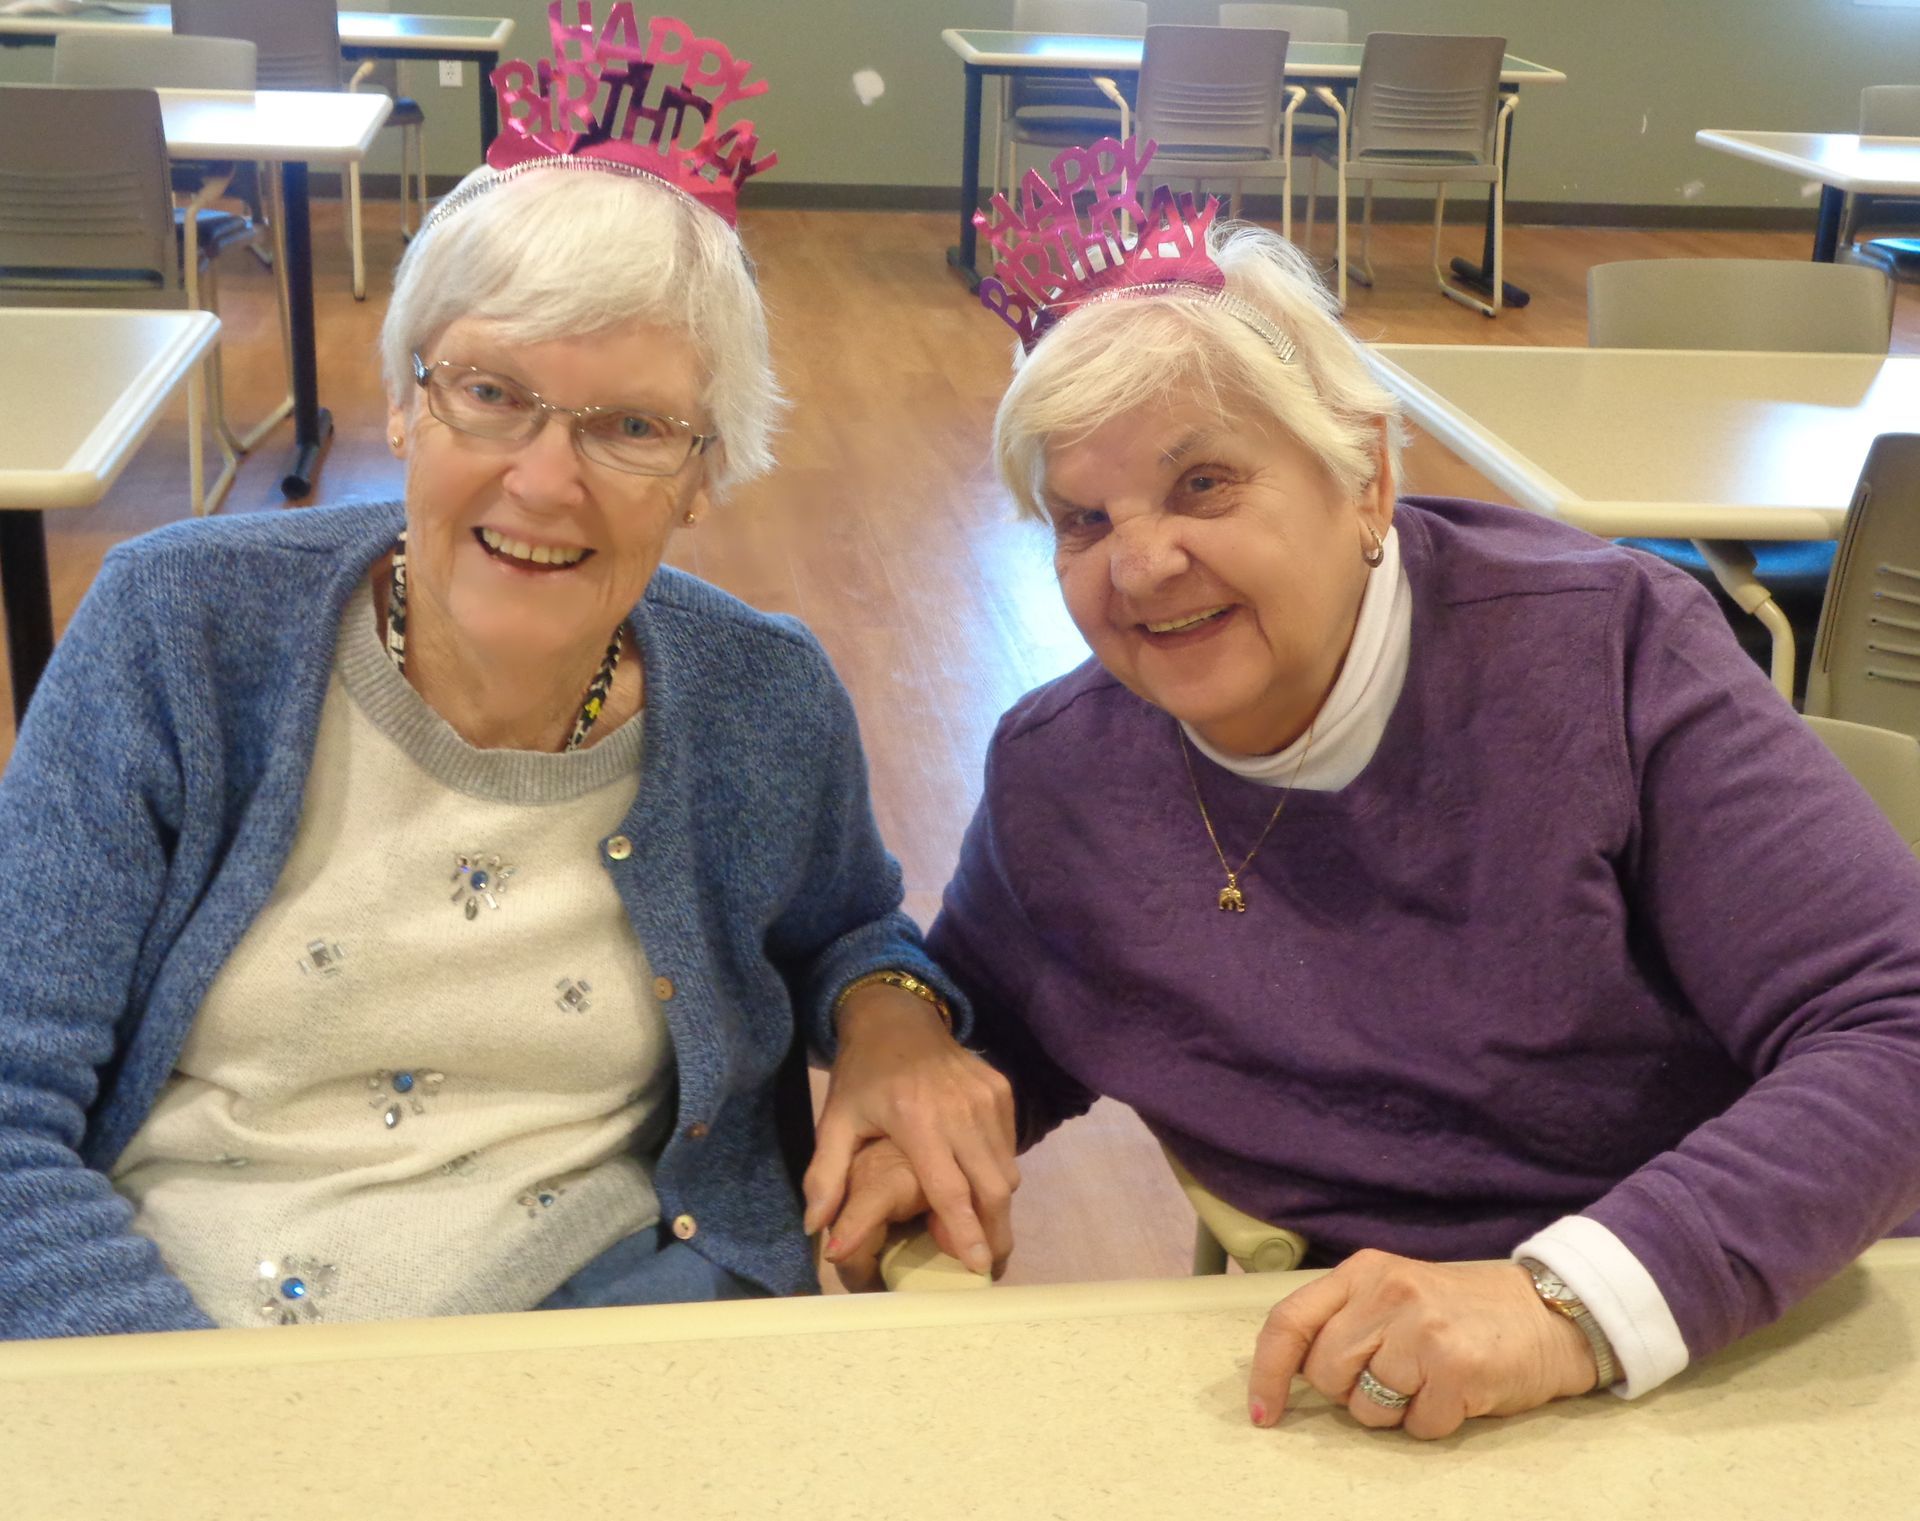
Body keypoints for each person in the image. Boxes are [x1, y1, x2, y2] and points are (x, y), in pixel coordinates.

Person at [820, 156, 1920, 1439]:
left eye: (1204, 484)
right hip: (1358, 1377)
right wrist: (911, 1071)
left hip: (1725, 1320)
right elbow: (1001, 1018)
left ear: (1367, 481)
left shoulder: (1602, 659)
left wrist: (1563, 1305)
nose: (1140, 562)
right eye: (1079, 519)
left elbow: (1894, 1024)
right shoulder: (1065, 771)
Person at [0, 17, 1014, 1341]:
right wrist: (199, 1418)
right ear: (407, 404)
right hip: (168, 1337)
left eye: (635, 428)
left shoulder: (765, 699)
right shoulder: (177, 631)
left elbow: (847, 929)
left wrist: (893, 1021)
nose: (545, 478)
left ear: (704, 474)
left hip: (608, 1341)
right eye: (491, 393)